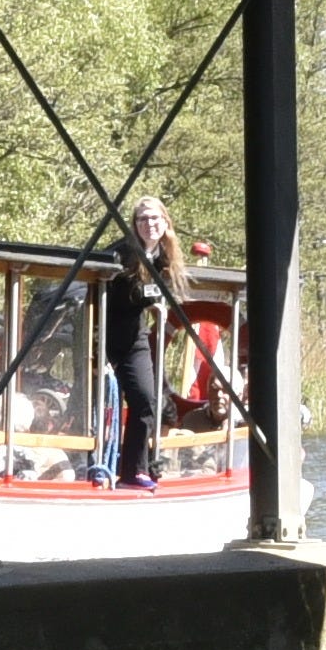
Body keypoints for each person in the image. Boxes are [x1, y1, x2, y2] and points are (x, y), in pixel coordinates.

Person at [103, 196, 206, 489]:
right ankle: (95, 464)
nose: (149, 224)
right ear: (135, 225)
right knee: (92, 402)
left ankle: (134, 471)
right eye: (143, 219)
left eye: (154, 218)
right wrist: (150, 300)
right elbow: (115, 292)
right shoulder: (120, 253)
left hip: (135, 338)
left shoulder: (164, 257)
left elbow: (160, 291)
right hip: (105, 335)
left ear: (165, 223)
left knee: (146, 401)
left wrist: (155, 303)